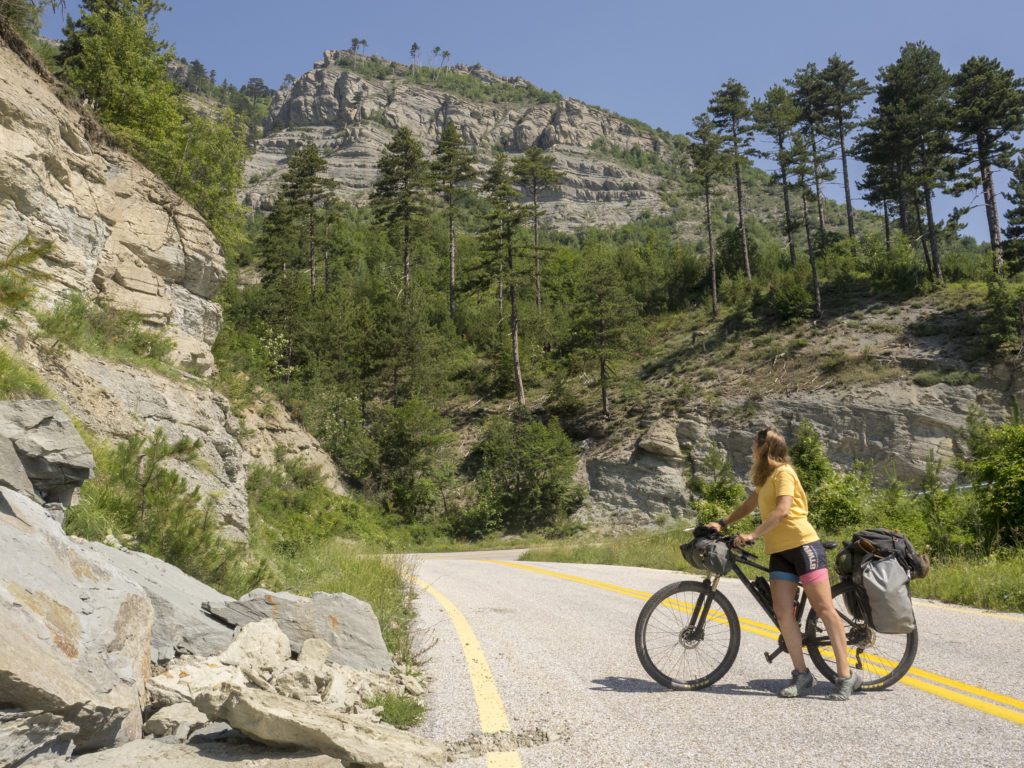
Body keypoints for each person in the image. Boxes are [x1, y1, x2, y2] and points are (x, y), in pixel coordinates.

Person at [708, 427, 862, 701]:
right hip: (779, 551)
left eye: (754, 446)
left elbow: (782, 509)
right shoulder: (765, 478)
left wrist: (753, 534)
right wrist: (723, 523)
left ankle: (845, 676)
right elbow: (748, 505)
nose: (751, 450)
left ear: (764, 448)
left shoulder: (784, 473)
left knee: (825, 609)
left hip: (803, 546)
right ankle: (802, 674)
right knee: (783, 613)